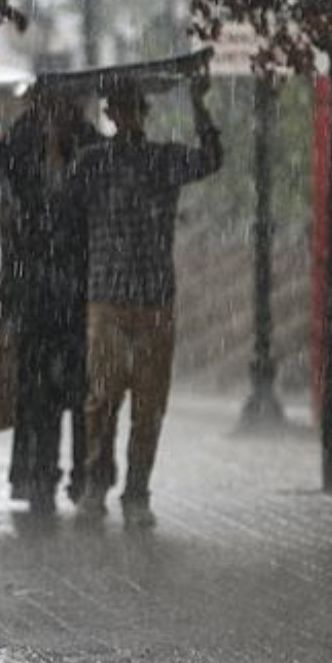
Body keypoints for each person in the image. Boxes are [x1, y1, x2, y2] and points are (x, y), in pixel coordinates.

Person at [64, 73, 222, 529]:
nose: (126, 115)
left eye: (132, 107)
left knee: (149, 405)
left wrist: (199, 106)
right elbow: (59, 201)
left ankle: (137, 491)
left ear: (141, 113)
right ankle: (97, 482)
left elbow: (211, 158)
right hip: (108, 298)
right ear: (111, 114)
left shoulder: (163, 159)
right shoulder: (91, 162)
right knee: (101, 400)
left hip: (153, 298)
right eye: (119, 107)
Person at [0, 87, 106, 515]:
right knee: (37, 390)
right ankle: (40, 474)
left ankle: (82, 474)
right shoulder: (20, 142)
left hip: (76, 287)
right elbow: (11, 207)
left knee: (79, 390)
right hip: (36, 288)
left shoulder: (88, 143)